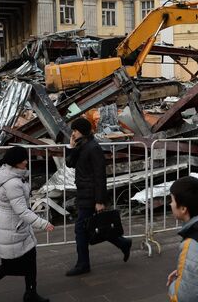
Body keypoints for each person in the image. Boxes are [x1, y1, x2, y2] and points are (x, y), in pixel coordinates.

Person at [0, 146, 54, 302]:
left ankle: (31, 293)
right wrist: (43, 223)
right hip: (13, 226)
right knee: (9, 267)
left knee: (30, 259)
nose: (27, 162)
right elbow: (22, 211)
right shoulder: (12, 183)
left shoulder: (9, 174)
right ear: (15, 162)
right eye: (23, 160)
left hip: (15, 225)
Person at [64, 117, 132, 276]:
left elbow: (100, 176)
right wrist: (71, 147)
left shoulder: (93, 148)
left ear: (82, 131)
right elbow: (70, 163)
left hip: (91, 194)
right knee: (96, 227)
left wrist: (100, 201)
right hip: (84, 193)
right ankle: (123, 243)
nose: (73, 133)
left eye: (75, 130)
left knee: (80, 229)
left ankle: (83, 264)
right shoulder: (82, 146)